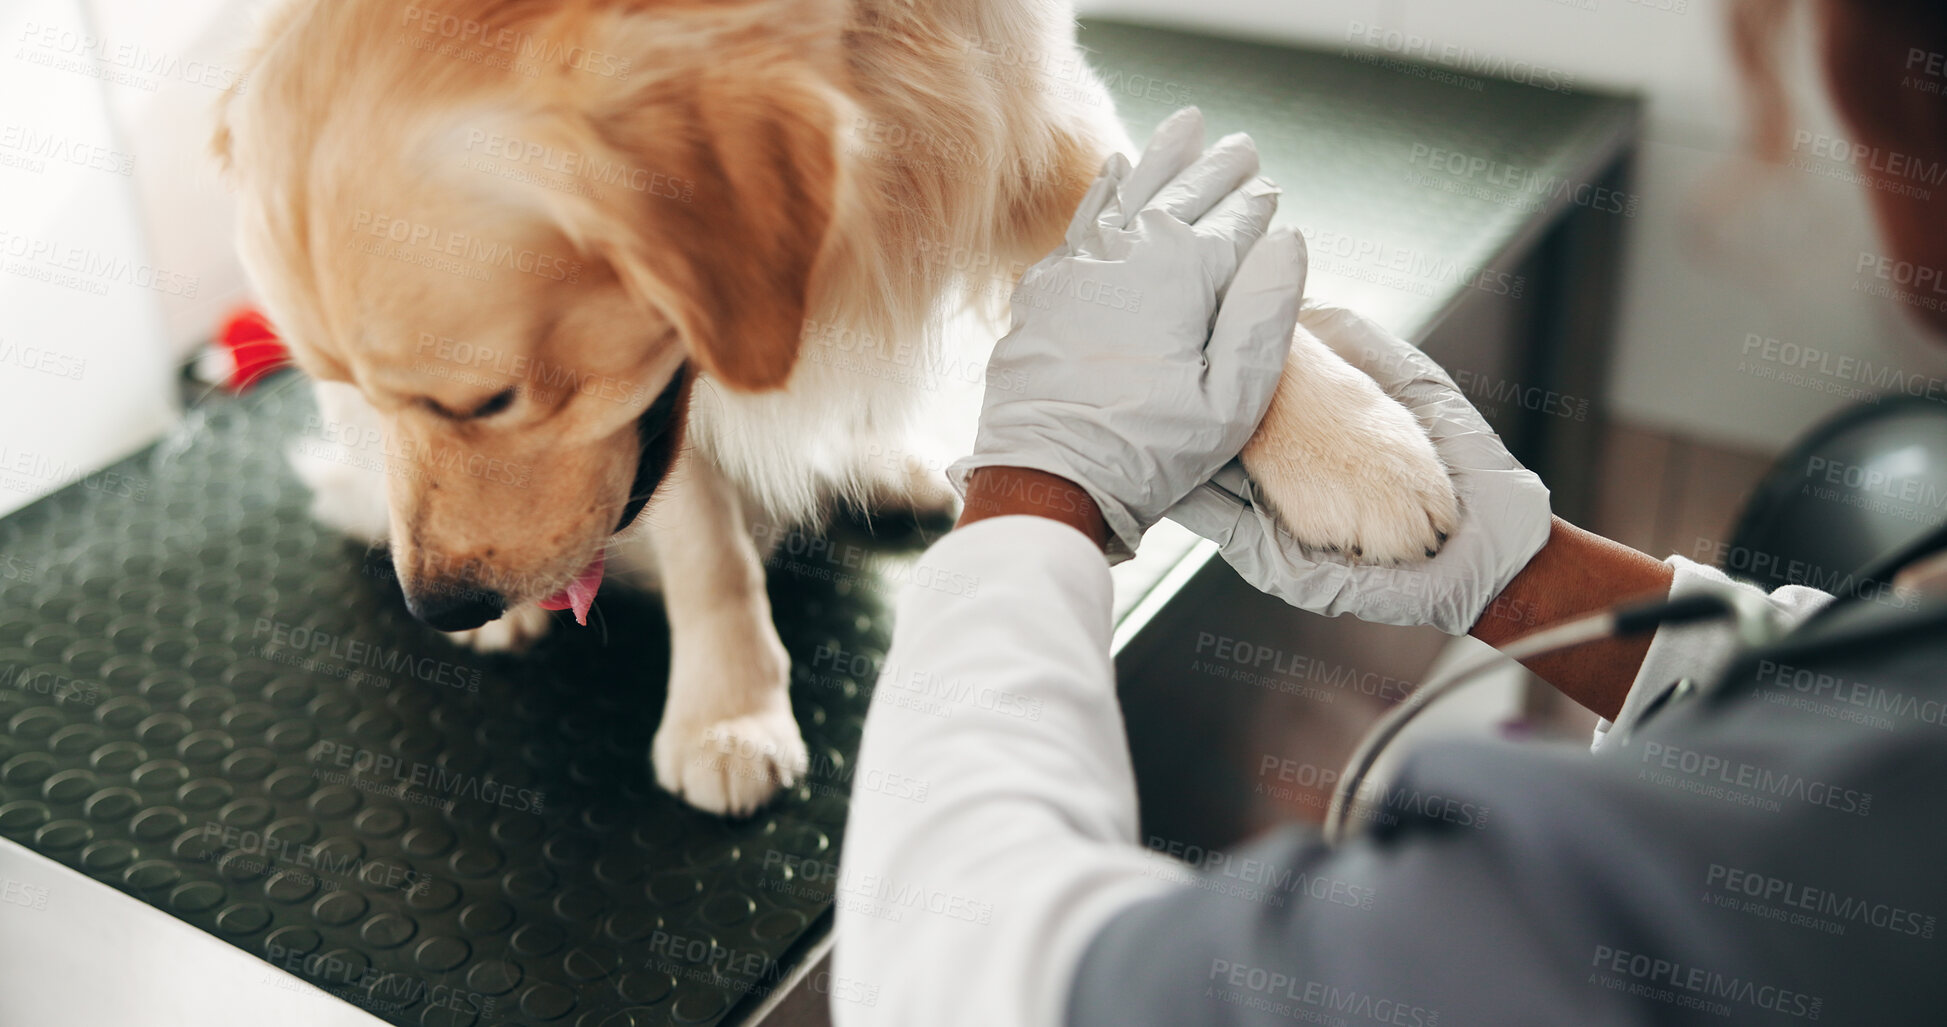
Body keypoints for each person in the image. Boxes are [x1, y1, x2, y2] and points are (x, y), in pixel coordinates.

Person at [831, 2, 1947, 1023]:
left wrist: (1033, 486)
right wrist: (1518, 571)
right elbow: (1851, 699)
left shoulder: (1719, 900)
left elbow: (974, 981)